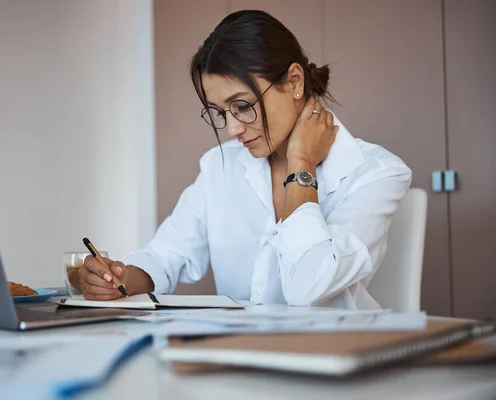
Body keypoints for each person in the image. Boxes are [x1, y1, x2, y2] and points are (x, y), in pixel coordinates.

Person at [79, 10, 411, 309]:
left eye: (242, 106)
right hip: (238, 355)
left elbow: (307, 288)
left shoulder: (377, 173)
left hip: (331, 360)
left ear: (294, 81)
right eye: (221, 113)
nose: (233, 129)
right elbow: (167, 253)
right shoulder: (219, 167)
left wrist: (301, 164)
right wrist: (119, 281)